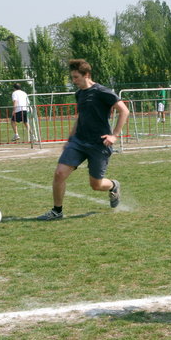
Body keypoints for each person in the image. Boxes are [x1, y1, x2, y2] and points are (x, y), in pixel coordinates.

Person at [37, 59, 129, 220]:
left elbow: (124, 111)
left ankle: (113, 185)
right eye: (72, 77)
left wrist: (114, 135)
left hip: (99, 144)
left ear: (86, 75)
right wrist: (70, 138)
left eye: (76, 77)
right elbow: (80, 117)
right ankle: (57, 211)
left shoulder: (102, 92)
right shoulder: (79, 93)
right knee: (59, 174)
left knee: (96, 185)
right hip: (78, 142)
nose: (74, 81)